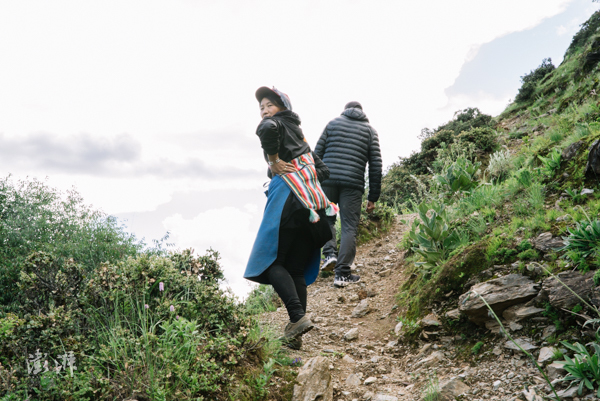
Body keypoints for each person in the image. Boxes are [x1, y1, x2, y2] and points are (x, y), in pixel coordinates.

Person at [244, 86, 337, 349]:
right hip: (313, 210)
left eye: (269, 104)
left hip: (288, 204)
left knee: (271, 261)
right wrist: (303, 173)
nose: (264, 110)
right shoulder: (300, 136)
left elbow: (266, 130)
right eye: (261, 106)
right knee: (295, 269)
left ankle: (296, 317)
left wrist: (273, 161)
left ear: (282, 107)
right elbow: (324, 170)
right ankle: (296, 332)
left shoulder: (276, 124)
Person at [314, 101, 382, 288]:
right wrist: (372, 197)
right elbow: (376, 166)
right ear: (362, 112)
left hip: (327, 180)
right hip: (352, 185)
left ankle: (329, 255)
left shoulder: (332, 124)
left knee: (327, 219)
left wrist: (313, 182)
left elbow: (316, 154)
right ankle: (342, 274)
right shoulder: (370, 131)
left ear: (345, 111)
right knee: (349, 227)